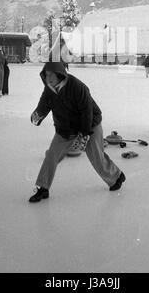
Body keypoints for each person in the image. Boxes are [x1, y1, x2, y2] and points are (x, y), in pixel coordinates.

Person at [29, 62, 126, 203]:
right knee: (52, 154)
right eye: (46, 74)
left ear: (59, 74)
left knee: (96, 156)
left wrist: (84, 134)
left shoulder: (77, 86)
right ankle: (43, 188)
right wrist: (37, 116)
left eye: (51, 74)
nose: (48, 77)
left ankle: (116, 177)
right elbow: (43, 106)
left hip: (90, 124)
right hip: (66, 128)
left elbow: (87, 112)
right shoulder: (49, 90)